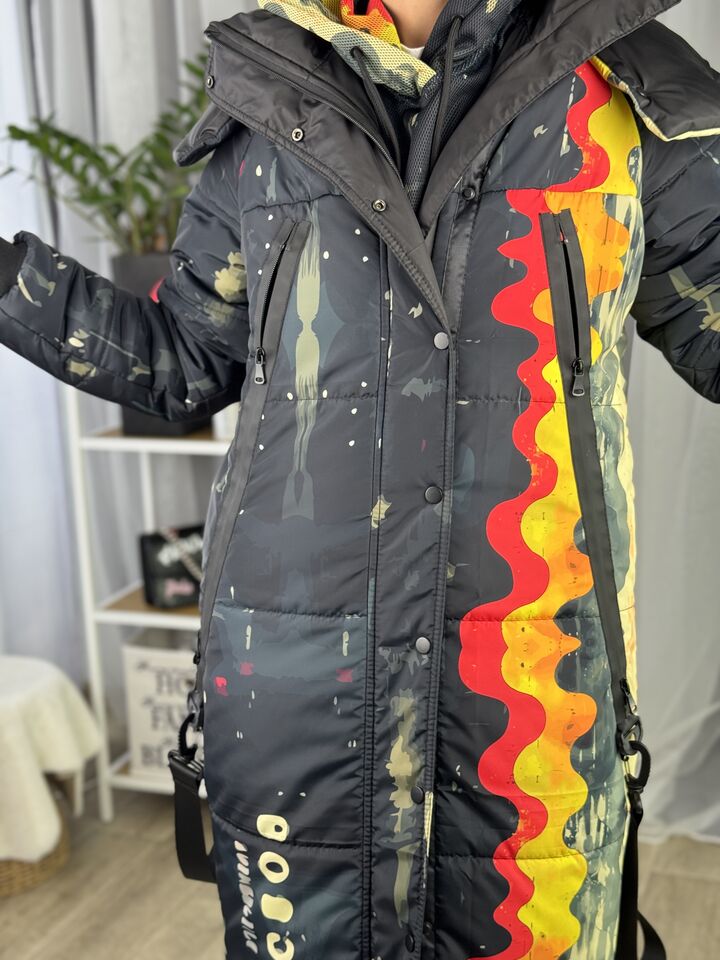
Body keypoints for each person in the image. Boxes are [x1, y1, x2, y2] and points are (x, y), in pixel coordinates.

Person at [1, 1, 718, 957]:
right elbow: (183, 359)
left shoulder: (616, 83)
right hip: (294, 706)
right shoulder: (271, 90)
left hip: (530, 709)